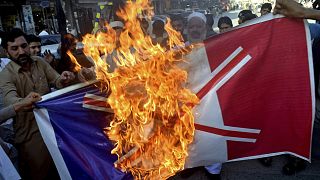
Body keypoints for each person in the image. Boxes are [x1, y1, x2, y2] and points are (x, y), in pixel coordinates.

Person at [0, 28, 75, 179]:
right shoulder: (5, 75)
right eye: (14, 48)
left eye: (24, 46)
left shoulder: (39, 62)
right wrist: (24, 102)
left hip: (56, 127)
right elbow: (11, 101)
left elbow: (56, 80)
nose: (21, 52)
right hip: (30, 136)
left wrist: (64, 78)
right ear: (6, 51)